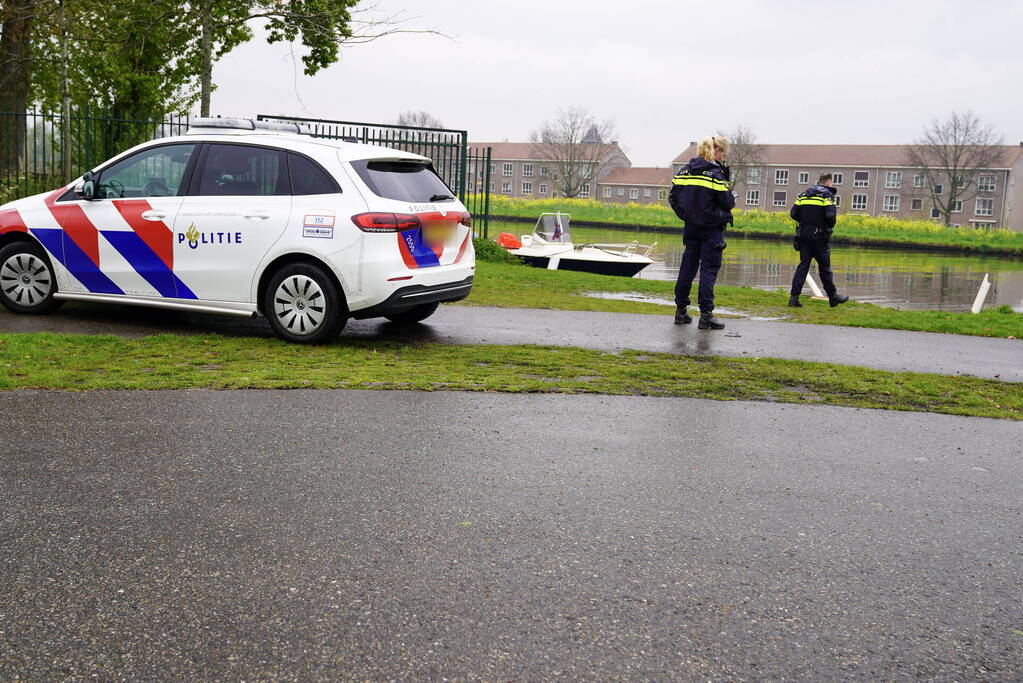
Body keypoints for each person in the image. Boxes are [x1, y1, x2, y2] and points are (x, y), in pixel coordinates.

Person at [668, 135, 735, 330]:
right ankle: (706, 315)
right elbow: (728, 202)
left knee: (687, 268)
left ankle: (680, 312)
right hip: (712, 229)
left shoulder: (685, 171)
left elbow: (673, 198)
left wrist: (687, 216)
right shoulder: (715, 174)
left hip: (691, 228)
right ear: (716, 151)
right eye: (723, 153)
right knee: (709, 270)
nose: (724, 157)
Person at [788, 173, 849, 308]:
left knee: (803, 266)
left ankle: (794, 298)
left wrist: (805, 222)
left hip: (803, 236)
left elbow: (793, 213)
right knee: (824, 268)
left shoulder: (803, 195)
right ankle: (833, 297)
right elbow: (830, 214)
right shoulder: (827, 195)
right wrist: (827, 226)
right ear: (828, 183)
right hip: (820, 237)